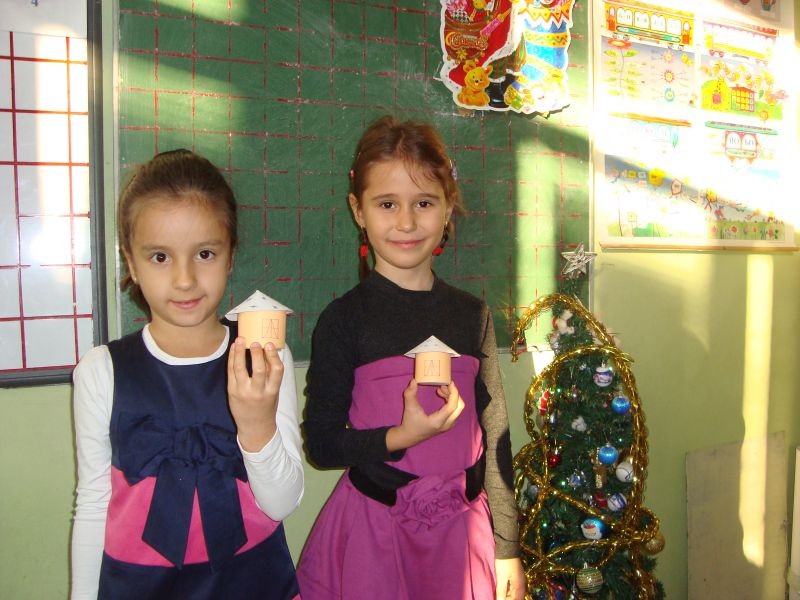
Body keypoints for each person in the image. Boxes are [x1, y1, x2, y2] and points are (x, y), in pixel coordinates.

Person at [296, 116, 525, 599]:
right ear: (358, 210)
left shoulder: (473, 315)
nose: (406, 222)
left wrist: (508, 549)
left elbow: (496, 437)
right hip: (374, 540)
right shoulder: (344, 319)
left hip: (463, 539)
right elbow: (322, 444)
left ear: (447, 209)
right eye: (387, 204)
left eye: (424, 202)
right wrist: (402, 436)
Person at [70, 149, 303, 599]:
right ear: (131, 262)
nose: (184, 279)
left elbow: (281, 504)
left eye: (205, 253)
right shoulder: (101, 372)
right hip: (140, 587)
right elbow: (94, 504)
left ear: (230, 255)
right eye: (160, 257)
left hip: (253, 582)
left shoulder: (264, 355)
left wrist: (257, 426)